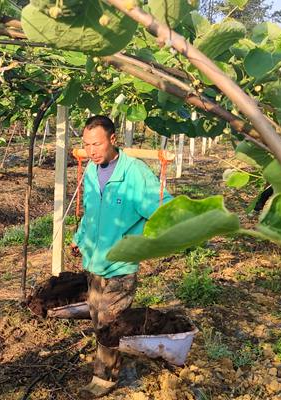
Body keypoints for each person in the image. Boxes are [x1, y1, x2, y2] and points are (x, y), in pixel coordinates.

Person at [70, 115, 172, 399]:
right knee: (95, 317)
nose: (91, 151)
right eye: (87, 144)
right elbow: (90, 214)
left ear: (113, 139)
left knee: (109, 323)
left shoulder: (134, 173)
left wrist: (180, 228)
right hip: (93, 262)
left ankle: (104, 379)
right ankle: (109, 362)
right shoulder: (91, 170)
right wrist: (79, 239)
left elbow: (163, 207)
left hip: (120, 264)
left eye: (97, 144)